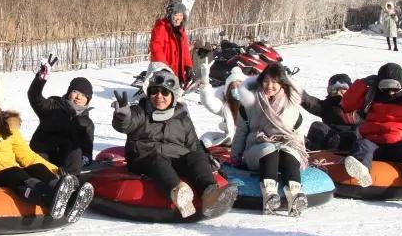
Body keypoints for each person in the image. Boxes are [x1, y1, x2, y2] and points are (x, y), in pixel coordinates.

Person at [0, 75, 93, 224]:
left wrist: (55, 170)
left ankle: (69, 197)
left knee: (36, 167)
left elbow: (26, 154)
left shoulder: (7, 126)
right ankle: (50, 199)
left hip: (6, 167)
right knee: (17, 173)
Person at [112, 68, 236, 218]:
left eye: (165, 92)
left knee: (196, 156)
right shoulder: (140, 111)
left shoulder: (182, 118)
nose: (159, 96)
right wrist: (122, 117)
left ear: (173, 95)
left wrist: (205, 160)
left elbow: (194, 146)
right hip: (145, 157)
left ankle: (210, 193)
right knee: (157, 159)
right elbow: (127, 123)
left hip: (175, 159)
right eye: (154, 91)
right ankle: (179, 192)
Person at [340, 63, 402, 209]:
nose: (390, 93)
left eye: (394, 88)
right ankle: (362, 170)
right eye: (386, 88)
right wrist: (361, 85)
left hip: (400, 143)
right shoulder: (372, 94)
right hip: (374, 141)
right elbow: (347, 105)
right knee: (362, 145)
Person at [230, 63, 310, 215]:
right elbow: (241, 131)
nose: (270, 86)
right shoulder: (250, 103)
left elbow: (297, 132)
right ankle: (270, 194)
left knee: (289, 152)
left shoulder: (291, 104)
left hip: (286, 143)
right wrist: (235, 156)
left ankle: (294, 195)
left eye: (274, 82)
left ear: (282, 83)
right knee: (270, 149)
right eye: (266, 81)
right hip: (257, 146)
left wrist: (302, 153)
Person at [27, 54, 95, 176]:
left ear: (88, 100)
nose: (79, 97)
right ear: (69, 92)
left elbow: (87, 153)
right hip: (42, 153)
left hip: (66, 163)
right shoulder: (53, 105)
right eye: (76, 92)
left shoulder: (87, 124)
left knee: (76, 151)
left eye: (84, 95)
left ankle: (70, 183)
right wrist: (40, 79)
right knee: (41, 159)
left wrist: (83, 160)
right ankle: (41, 184)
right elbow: (34, 96)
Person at [302, 73, 362, 152]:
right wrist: (291, 88)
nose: (338, 92)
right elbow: (309, 101)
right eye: (334, 90)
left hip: (353, 142)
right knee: (318, 126)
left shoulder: (360, 105)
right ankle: (312, 155)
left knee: (360, 129)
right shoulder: (327, 106)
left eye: (342, 89)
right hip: (331, 141)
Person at [196, 53, 247, 147]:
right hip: (231, 140)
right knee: (206, 138)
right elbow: (208, 102)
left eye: (239, 86)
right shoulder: (226, 106)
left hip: (247, 141)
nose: (236, 90)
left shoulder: (252, 104)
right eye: (233, 87)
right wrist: (205, 80)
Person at [149, 1, 194, 87]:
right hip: (165, 69)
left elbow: (185, 50)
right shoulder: (161, 27)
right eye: (176, 15)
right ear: (170, 15)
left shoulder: (181, 30)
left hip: (178, 70)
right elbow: (156, 48)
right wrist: (164, 67)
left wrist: (188, 65)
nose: (178, 18)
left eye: (181, 15)